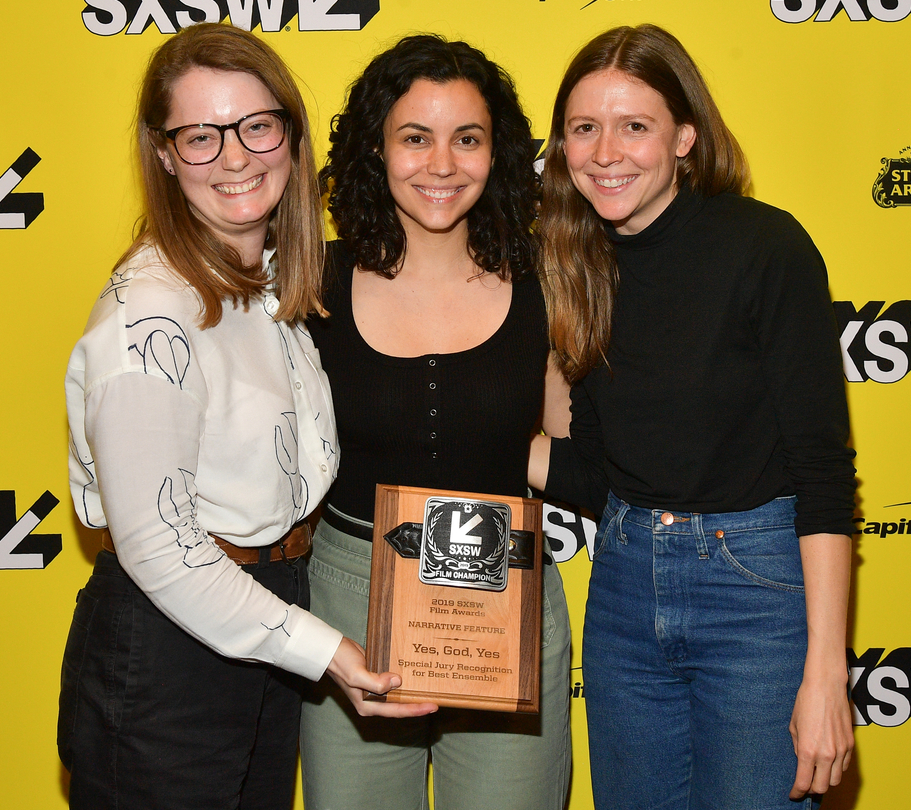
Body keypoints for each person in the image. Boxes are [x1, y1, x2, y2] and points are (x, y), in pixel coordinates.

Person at [56, 23, 432, 810]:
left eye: (257, 126)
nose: (235, 157)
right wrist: (327, 652)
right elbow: (161, 547)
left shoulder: (272, 281)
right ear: (164, 155)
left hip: (266, 619)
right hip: (168, 651)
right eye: (201, 136)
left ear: (290, 137)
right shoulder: (150, 316)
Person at [530, 24, 857, 810]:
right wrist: (458, 437)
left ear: (684, 137)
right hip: (623, 587)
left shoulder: (765, 247)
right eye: (585, 128)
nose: (606, 152)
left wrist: (826, 672)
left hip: (757, 594)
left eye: (634, 126)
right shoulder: (574, 262)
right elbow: (600, 478)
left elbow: (822, 474)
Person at [301, 34, 573, 810]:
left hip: (504, 591)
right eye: (415, 138)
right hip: (350, 595)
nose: (443, 164)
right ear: (376, 149)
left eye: (468, 139)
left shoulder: (547, 281)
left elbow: (571, 452)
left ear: (499, 153)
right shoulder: (314, 282)